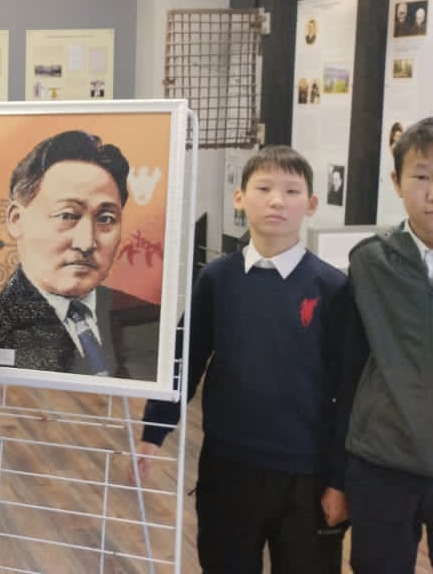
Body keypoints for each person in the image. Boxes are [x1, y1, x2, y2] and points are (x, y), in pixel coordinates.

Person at [135, 145, 348, 573]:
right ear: (239, 198)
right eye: (263, 188)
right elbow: (186, 357)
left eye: (291, 191)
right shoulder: (218, 278)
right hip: (228, 466)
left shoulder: (332, 287)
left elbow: (347, 389)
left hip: (307, 473)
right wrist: (153, 431)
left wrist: (340, 481)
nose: (276, 201)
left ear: (310, 204)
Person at [0, 130, 159, 379]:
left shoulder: (147, 319)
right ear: (16, 219)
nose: (86, 242)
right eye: (67, 215)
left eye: (105, 219)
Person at [333, 117, 433, 572]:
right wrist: (337, 475)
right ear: (396, 181)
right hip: (383, 462)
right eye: (422, 176)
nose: (431, 193)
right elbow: (349, 370)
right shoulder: (371, 262)